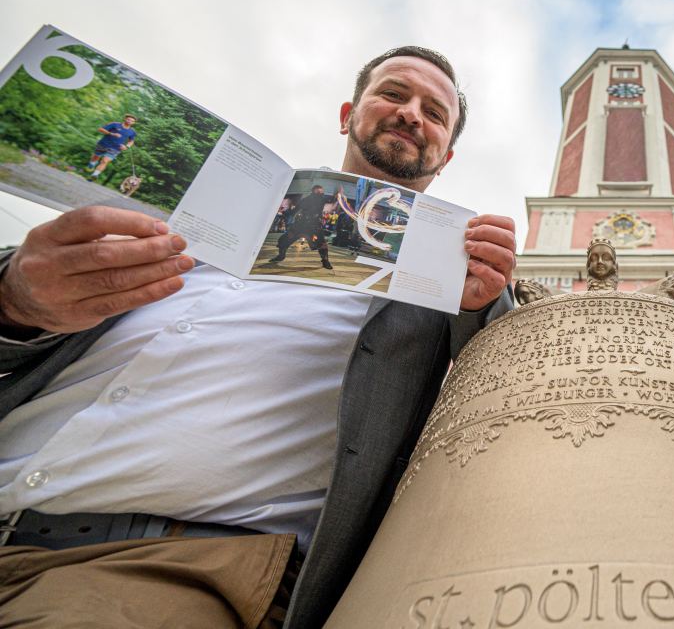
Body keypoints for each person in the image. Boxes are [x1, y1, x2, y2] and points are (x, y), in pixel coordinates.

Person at [0, 46, 517, 628]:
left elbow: (507, 382)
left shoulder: (448, 280)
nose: (410, 114)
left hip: (155, 570)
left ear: (444, 157)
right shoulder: (194, 207)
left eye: (434, 112)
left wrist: (485, 296)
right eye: (393, 94)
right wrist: (14, 299)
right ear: (349, 113)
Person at [266, 185, 337, 270]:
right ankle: (281, 256)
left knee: (322, 244)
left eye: (322, 192)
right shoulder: (305, 200)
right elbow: (294, 211)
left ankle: (325, 261)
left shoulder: (322, 199)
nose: (321, 194)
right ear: (313, 191)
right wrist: (284, 212)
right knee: (284, 239)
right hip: (300, 225)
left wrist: (337, 195)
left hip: (315, 227)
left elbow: (332, 199)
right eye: (319, 192)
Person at [86, 113, 138, 182]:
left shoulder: (132, 132)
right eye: (128, 119)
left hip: (116, 149)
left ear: (134, 123)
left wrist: (126, 146)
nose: (129, 121)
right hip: (103, 144)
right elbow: (100, 129)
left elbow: (131, 141)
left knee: (105, 161)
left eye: (132, 121)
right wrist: (111, 133)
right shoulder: (115, 124)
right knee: (95, 157)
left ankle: (95, 175)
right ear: (125, 119)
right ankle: (91, 165)